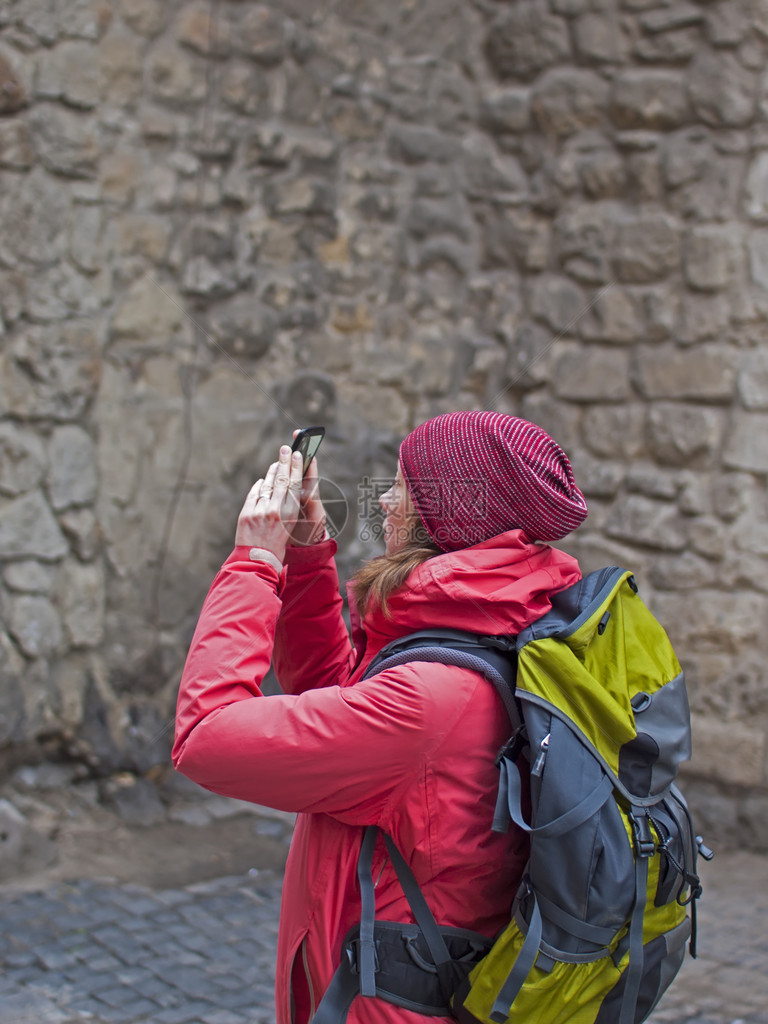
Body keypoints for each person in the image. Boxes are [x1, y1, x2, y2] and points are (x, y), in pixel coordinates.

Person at [172, 410, 588, 1024]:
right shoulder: (500, 621)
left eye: (401, 487)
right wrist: (308, 558)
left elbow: (206, 738)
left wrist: (255, 563)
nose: (385, 502)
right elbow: (337, 703)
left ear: (448, 519)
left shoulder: (430, 701)